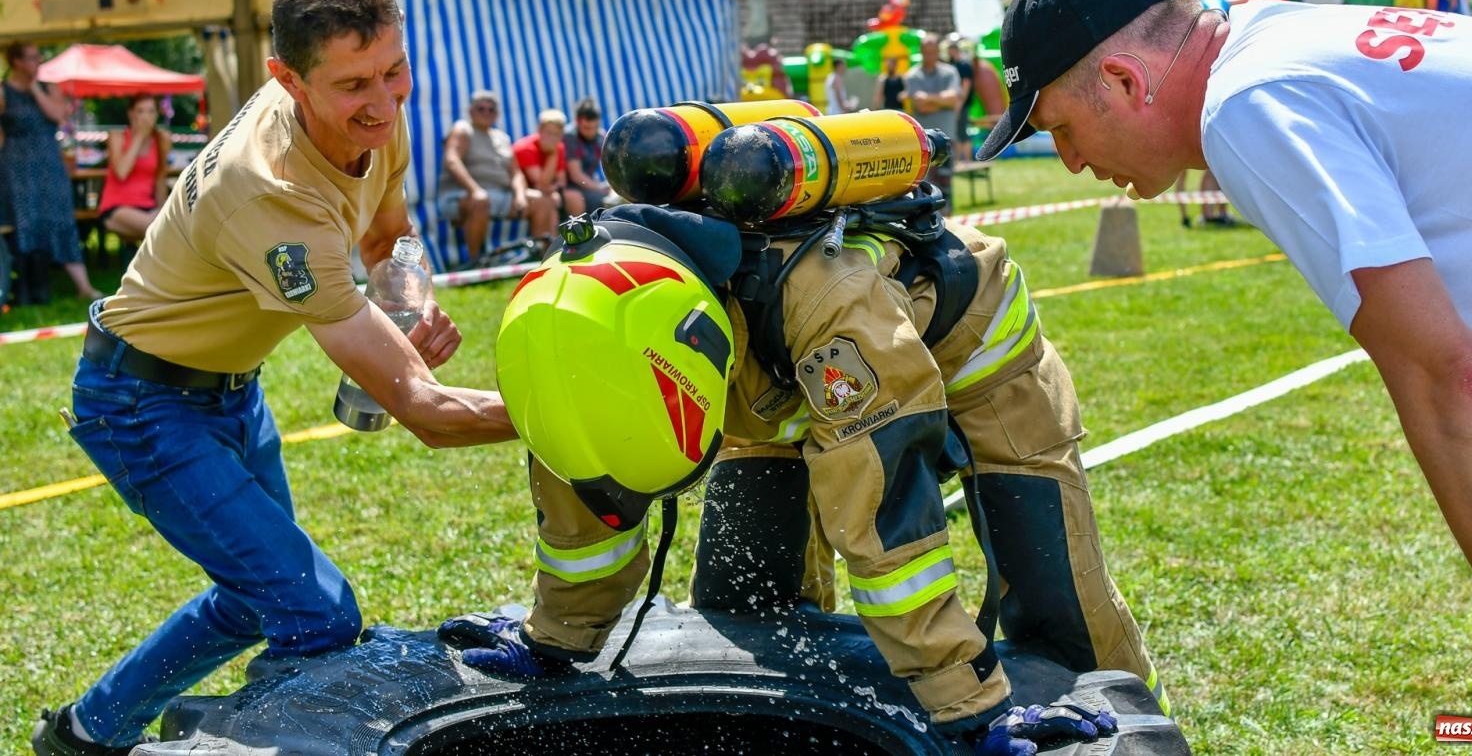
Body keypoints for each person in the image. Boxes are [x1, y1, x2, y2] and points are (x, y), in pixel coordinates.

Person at [976, 0, 1472, 752]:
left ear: (1127, 82)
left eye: (1059, 128)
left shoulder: (1249, 103)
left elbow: (1452, 377)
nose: (1070, 163)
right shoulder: (1283, 41)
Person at [447, 200, 1164, 753]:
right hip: (773, 378)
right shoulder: (570, 328)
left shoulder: (836, 308)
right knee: (747, 598)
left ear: (695, 352)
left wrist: (969, 707)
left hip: (970, 360)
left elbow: (886, 529)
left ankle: (1140, 720)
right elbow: (586, 508)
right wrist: (555, 637)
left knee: (1053, 592)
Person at [32, 0, 517, 756]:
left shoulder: (374, 116)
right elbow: (426, 415)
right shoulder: (269, 190)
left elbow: (390, 236)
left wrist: (414, 297)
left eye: (394, 70)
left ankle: (87, 733)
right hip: (140, 404)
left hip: (228, 389)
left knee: (257, 596)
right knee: (314, 613)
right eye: (354, 85)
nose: (384, 101)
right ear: (287, 80)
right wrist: (586, 419)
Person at [0, 41, 100, 304]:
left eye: (38, 57)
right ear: (16, 62)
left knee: (60, 217)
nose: (38, 62)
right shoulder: (3, 91)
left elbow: (58, 115)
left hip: (49, 163)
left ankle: (83, 286)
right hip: (16, 166)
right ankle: (27, 287)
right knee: (24, 220)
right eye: (32, 57)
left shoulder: (48, 87)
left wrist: (34, 87)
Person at [436, 90, 537, 264]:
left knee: (542, 201)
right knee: (481, 201)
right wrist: (475, 190)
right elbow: (451, 160)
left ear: (497, 114)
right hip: (461, 194)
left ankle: (539, 260)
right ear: (471, 111)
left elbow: (516, 172)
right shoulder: (463, 129)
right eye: (481, 108)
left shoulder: (502, 137)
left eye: (491, 109)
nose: (486, 112)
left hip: (500, 195)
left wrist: (521, 195)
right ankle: (475, 264)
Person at [97, 93, 173, 245]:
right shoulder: (117, 136)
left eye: (151, 111)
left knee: (171, 224)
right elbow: (121, 172)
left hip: (148, 207)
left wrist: (164, 210)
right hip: (117, 208)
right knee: (158, 228)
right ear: (131, 114)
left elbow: (160, 179)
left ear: (157, 114)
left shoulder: (161, 139)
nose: (146, 116)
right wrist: (139, 137)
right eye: (140, 111)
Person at [902, 42, 963, 205]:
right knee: (926, 185)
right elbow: (921, 107)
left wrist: (929, 98)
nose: (929, 56)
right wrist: (942, 101)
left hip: (946, 136)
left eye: (932, 52)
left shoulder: (950, 72)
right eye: (926, 52)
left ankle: (948, 216)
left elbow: (953, 100)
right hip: (924, 142)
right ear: (921, 52)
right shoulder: (912, 75)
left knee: (946, 182)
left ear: (938, 52)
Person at [510, 108, 583, 241]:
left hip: (545, 191)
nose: (552, 138)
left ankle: (578, 240)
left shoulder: (559, 147)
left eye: (557, 134)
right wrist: (553, 155)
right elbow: (541, 184)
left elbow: (561, 181)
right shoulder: (525, 148)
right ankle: (547, 249)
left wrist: (552, 190)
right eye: (549, 133)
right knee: (549, 202)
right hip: (523, 192)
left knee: (575, 197)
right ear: (540, 130)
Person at [562, 97, 613, 215]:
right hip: (569, 187)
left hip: (588, 185)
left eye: (594, 127)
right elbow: (576, 175)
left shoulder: (601, 136)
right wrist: (600, 189)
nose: (591, 132)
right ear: (577, 121)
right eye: (586, 128)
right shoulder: (569, 137)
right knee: (600, 200)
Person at [944, 34, 976, 163]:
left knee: (963, 133)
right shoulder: (952, 65)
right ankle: (956, 161)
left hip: (962, 105)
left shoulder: (963, 65)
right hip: (955, 105)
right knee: (956, 134)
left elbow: (965, 87)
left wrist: (959, 106)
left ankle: (968, 160)